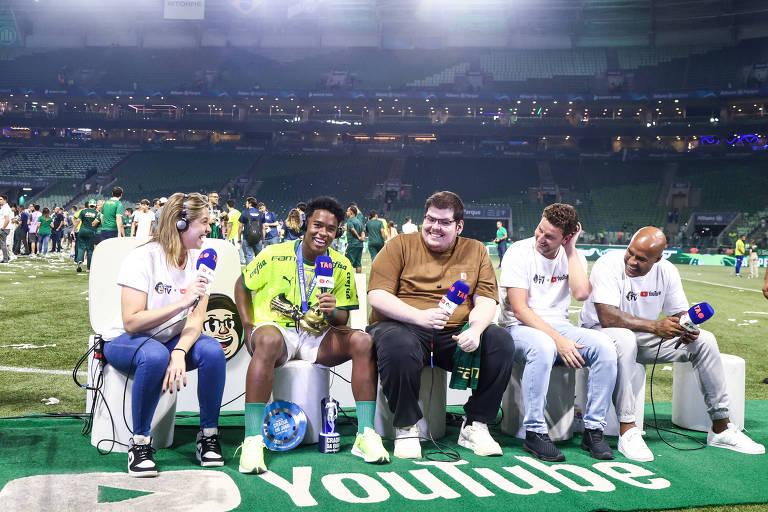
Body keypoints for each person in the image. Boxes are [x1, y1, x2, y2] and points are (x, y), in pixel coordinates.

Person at [580, 227, 765, 461]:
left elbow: (678, 311)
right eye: (631, 253)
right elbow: (607, 317)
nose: (633, 261)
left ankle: (721, 427)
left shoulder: (666, 271)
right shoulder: (608, 264)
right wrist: (655, 326)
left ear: (658, 259)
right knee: (625, 339)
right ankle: (628, 430)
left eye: (642, 258)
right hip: (602, 336)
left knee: (705, 340)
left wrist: (685, 326)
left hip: (642, 337)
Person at [234, 196, 389, 474]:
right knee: (267, 339)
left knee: (363, 340)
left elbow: (345, 320)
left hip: (318, 336)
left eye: (330, 229)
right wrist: (248, 326)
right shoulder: (274, 254)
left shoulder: (339, 265)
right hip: (277, 331)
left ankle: (365, 434)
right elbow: (242, 286)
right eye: (317, 225)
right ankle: (252, 440)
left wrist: (332, 311)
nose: (323, 233)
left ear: (337, 232)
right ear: (306, 224)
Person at [367, 191, 515, 459]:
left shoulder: (476, 250)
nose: (434, 227)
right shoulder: (399, 245)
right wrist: (418, 316)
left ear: (459, 226)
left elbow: (486, 300)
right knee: (397, 344)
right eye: (430, 219)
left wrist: (476, 329)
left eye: (444, 222)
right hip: (404, 324)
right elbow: (377, 296)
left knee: (500, 342)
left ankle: (475, 424)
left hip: (453, 333)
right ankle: (406, 426)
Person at [102, 192, 226, 477]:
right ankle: (141, 443)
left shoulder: (201, 261)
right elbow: (132, 321)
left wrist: (180, 352)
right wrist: (182, 302)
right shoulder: (142, 258)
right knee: (156, 355)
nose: (209, 229)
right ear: (180, 224)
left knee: (212, 351)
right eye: (204, 223)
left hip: (170, 339)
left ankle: (208, 435)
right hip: (125, 340)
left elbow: (196, 320)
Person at [499, 203, 616, 461]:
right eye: (539, 230)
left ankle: (593, 430)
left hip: (559, 325)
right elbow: (519, 309)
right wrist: (559, 340)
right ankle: (534, 432)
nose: (541, 238)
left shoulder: (572, 256)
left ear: (566, 237)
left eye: (550, 236)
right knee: (543, 346)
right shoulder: (518, 252)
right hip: (518, 327)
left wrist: (571, 250)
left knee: (605, 348)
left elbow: (582, 293)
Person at [75, 200, 99, 273]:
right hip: (91, 232)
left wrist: (74, 229)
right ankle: (88, 268)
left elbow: (78, 220)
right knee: (90, 250)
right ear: (95, 205)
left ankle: (79, 261)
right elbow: (95, 224)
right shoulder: (97, 213)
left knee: (81, 248)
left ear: (89, 205)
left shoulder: (83, 211)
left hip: (82, 231)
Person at [239, 197, 262, 264]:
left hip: (247, 237)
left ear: (250, 204)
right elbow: (263, 227)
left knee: (249, 256)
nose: (245, 204)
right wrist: (262, 238)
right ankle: (260, 272)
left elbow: (240, 227)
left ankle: (250, 273)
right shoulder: (260, 213)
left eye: (246, 203)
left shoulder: (244, 212)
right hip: (258, 238)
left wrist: (239, 238)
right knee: (259, 256)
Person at [345, 205, 364, 273]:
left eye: (347, 211)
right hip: (360, 245)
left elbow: (352, 229)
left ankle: (347, 278)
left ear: (351, 212)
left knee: (347, 262)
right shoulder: (359, 221)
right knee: (358, 263)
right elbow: (362, 231)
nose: (346, 212)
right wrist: (362, 238)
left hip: (353, 244)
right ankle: (358, 280)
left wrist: (358, 237)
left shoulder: (350, 220)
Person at [0, 194, 11, 263]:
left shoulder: (6, 208)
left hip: (4, 228)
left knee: (2, 244)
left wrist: (2, 228)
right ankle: (7, 257)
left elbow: (7, 219)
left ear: (5, 200)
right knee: (1, 244)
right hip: (3, 227)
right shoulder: (3, 207)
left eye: (0, 199)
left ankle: (5, 259)